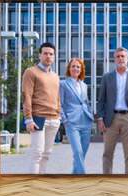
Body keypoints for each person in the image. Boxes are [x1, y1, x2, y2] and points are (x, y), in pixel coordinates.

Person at [97, 47, 128, 174]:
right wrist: (100, 118)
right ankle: (107, 179)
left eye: (123, 56)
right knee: (107, 153)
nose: (120, 58)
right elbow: (101, 100)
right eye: (118, 56)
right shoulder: (107, 77)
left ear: (127, 59)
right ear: (114, 59)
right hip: (110, 119)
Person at [22, 42, 61, 174]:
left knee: (46, 155)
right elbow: (27, 95)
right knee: (37, 154)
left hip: (54, 119)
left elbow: (57, 98)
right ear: (40, 55)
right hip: (38, 118)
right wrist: (28, 119)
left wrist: (59, 115)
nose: (48, 56)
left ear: (54, 57)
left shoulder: (55, 77)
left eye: (51, 54)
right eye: (45, 53)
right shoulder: (31, 72)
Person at [60, 58, 93, 174]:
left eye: (78, 67)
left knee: (82, 154)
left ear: (81, 69)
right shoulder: (63, 84)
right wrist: (65, 120)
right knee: (78, 152)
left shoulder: (84, 85)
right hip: (72, 123)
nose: (75, 68)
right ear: (69, 68)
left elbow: (86, 102)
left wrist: (90, 115)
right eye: (73, 66)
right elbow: (59, 103)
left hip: (86, 122)